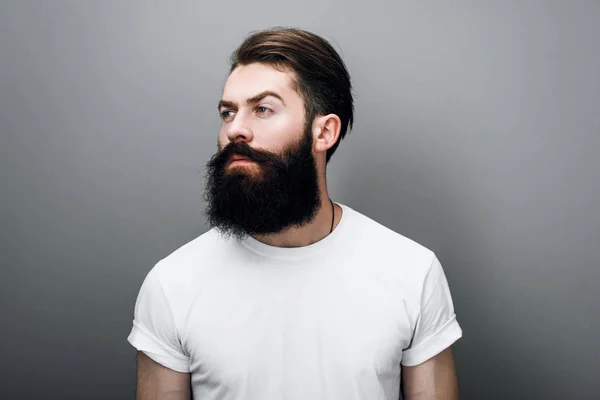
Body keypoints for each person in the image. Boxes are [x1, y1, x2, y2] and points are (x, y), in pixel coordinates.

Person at [127, 27, 462, 400]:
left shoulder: (412, 273)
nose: (235, 129)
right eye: (228, 113)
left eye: (263, 109)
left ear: (324, 132)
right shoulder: (173, 284)